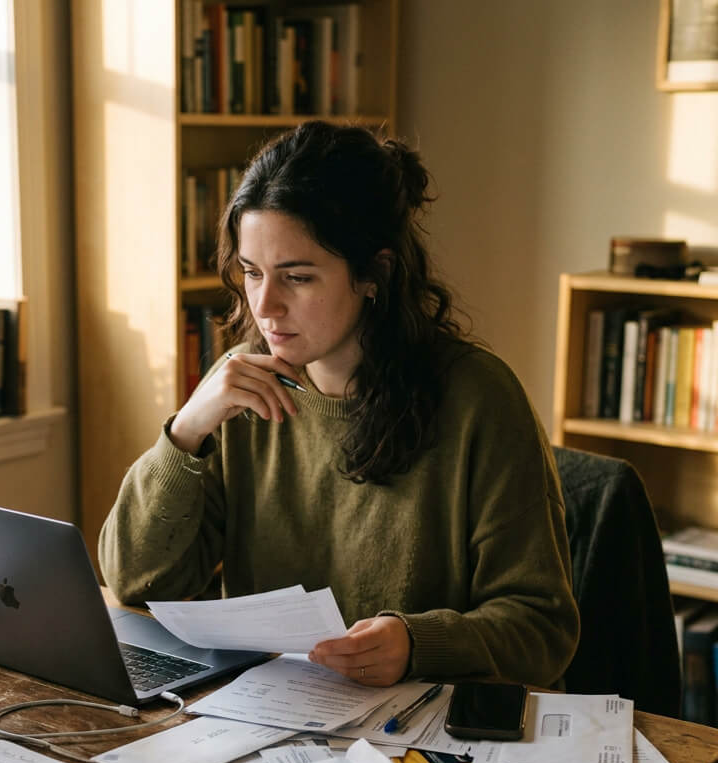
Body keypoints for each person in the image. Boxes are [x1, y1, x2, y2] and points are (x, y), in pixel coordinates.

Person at [99, 120, 578, 690]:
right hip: (268, 723)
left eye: (297, 277)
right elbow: (136, 581)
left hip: (421, 737)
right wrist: (185, 434)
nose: (265, 305)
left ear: (374, 274)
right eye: (252, 273)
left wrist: (417, 643)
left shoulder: (479, 400)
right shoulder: (243, 390)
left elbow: (542, 627)